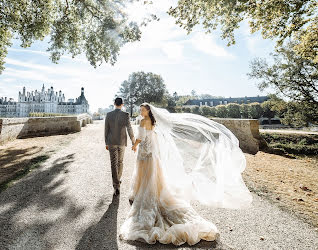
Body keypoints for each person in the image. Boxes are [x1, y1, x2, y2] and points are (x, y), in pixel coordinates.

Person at [119, 103, 253, 246]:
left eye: (143, 109)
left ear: (148, 111)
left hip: (145, 152)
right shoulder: (154, 121)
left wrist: (135, 144)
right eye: (141, 110)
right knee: (153, 175)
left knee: (144, 173)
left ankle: (144, 192)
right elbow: (154, 135)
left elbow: (141, 136)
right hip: (153, 152)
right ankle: (151, 191)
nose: (141, 111)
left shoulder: (143, 121)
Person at [104, 97, 135, 196]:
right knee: (120, 162)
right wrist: (133, 141)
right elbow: (129, 129)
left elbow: (106, 130)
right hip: (121, 142)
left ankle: (116, 185)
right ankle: (118, 179)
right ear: (122, 104)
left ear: (114, 103)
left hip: (111, 142)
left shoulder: (108, 115)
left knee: (113, 163)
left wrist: (106, 143)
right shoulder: (125, 115)